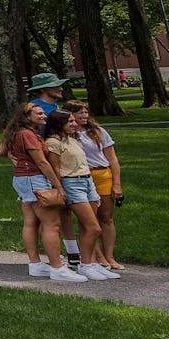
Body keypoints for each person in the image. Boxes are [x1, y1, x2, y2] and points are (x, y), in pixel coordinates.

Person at [0, 103, 87, 283]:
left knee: (30, 222)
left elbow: (1, 150)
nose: (44, 116)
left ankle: (35, 264)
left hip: (22, 179)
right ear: (27, 116)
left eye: (43, 113)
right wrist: (58, 186)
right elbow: (42, 163)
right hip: (35, 179)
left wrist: (13, 157)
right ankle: (57, 268)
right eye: (39, 113)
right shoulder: (28, 134)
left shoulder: (15, 131)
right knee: (52, 224)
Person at [40, 109, 116, 281]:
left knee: (87, 226)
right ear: (60, 124)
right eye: (71, 122)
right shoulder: (53, 142)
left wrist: (92, 188)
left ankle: (92, 263)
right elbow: (55, 168)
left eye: (74, 121)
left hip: (87, 181)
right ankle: (86, 265)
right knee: (94, 228)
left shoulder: (72, 139)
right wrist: (60, 188)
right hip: (71, 183)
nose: (75, 124)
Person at [66, 100, 126, 271]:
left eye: (86, 113)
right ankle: (98, 257)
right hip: (82, 177)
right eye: (79, 113)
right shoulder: (68, 135)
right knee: (89, 220)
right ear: (70, 115)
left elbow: (112, 159)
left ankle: (110, 256)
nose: (84, 116)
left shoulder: (98, 132)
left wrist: (117, 184)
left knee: (106, 218)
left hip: (103, 175)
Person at [25, 72, 73, 262]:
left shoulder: (54, 107)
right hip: (43, 169)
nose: (61, 88)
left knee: (59, 214)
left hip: (59, 165)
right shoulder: (36, 110)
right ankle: (48, 260)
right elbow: (20, 136)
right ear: (44, 89)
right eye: (56, 86)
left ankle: (68, 254)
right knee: (46, 217)